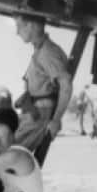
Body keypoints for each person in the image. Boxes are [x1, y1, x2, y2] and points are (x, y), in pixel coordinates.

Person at [10, 12, 72, 165]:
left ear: (31, 25)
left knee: (8, 157)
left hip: (38, 116)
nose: (17, 32)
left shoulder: (47, 53)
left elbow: (66, 85)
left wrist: (56, 120)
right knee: (5, 154)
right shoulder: (40, 50)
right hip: (34, 113)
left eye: (19, 26)